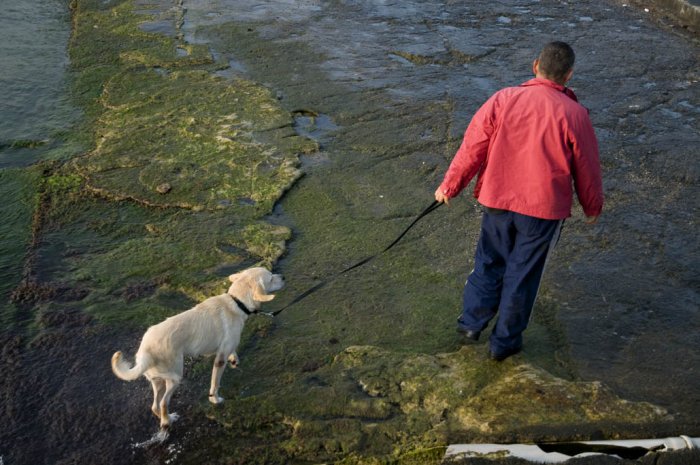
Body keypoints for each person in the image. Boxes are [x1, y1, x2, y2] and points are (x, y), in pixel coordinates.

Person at [434, 41, 603, 361]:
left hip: (498, 199)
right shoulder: (575, 113)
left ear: (534, 64)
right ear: (568, 74)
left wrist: (450, 186)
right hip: (542, 210)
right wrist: (592, 206)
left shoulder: (503, 99)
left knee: (488, 262)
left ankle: (471, 324)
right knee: (522, 274)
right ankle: (504, 343)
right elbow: (588, 166)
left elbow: (473, 146)